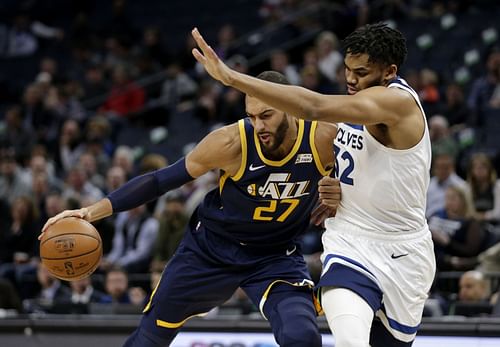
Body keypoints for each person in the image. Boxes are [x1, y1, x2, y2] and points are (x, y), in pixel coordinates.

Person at [41, 71, 338, 347]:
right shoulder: (231, 142)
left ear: (289, 106)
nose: (258, 125)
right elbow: (160, 180)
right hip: (210, 250)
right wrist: (89, 212)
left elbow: (368, 174)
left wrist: (341, 192)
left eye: (266, 115)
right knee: (149, 338)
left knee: (303, 336)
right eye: (251, 116)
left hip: (275, 256)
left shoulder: (323, 139)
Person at [191, 22, 436, 347]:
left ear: (389, 71)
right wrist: (333, 183)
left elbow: (313, 107)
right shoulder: (356, 100)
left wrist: (232, 78)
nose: (350, 79)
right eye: (347, 69)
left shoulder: (397, 104)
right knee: (350, 340)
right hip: (348, 241)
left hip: (403, 251)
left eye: (361, 72)